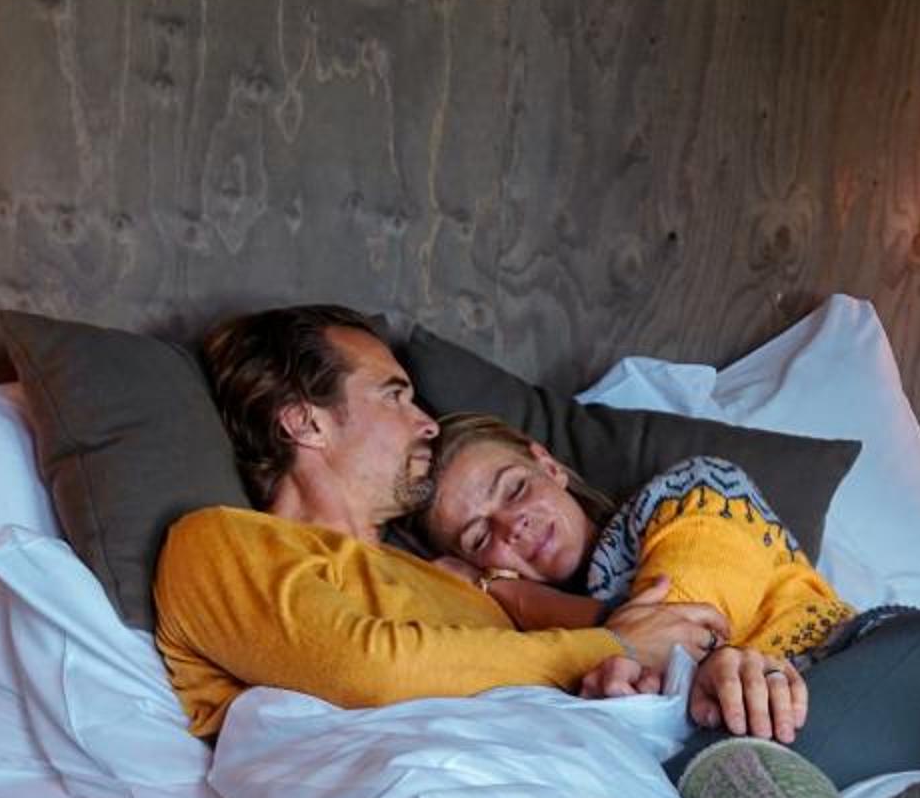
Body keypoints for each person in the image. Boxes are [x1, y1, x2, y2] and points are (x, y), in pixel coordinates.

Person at [152, 305, 736, 737]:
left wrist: (660, 661)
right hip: (418, 797)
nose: (427, 424)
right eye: (394, 397)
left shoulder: (448, 575)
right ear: (307, 423)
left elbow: (620, 642)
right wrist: (611, 646)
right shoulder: (217, 543)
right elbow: (368, 673)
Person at [417, 415, 920, 790]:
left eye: (515, 489)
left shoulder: (693, 492)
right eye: (481, 536)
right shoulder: (549, 661)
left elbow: (679, 634)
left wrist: (512, 594)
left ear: (549, 465)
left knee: (696, 793)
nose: (514, 526)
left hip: (904, 667)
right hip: (785, 739)